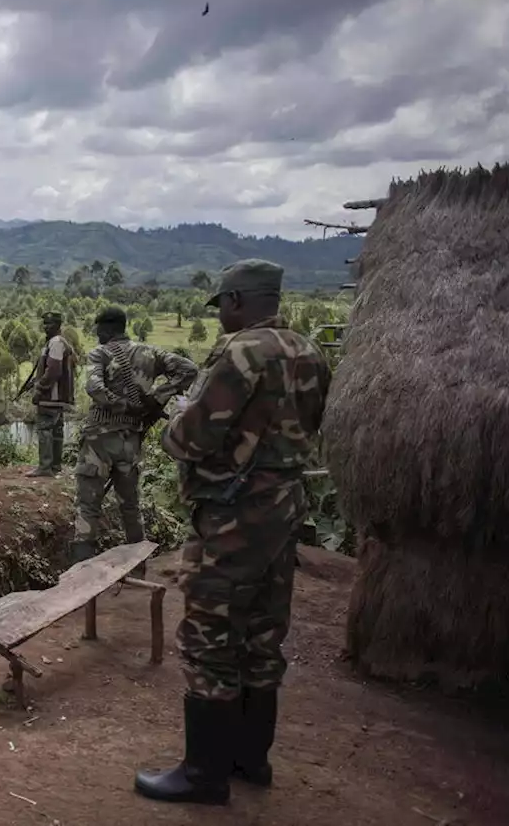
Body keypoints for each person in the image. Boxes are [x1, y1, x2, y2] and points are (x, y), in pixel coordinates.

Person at [134, 259, 331, 805]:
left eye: (221, 303)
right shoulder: (309, 350)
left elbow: (191, 439)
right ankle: (251, 760)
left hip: (233, 515)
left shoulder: (240, 352)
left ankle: (204, 775)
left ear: (238, 301)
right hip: (284, 509)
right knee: (264, 633)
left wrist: (176, 418)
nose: (220, 313)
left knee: (210, 635)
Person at [71, 306, 196, 568]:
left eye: (98, 329)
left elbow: (94, 388)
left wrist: (122, 405)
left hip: (99, 441)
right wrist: (156, 398)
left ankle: (80, 573)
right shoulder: (150, 353)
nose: (97, 334)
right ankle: (138, 567)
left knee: (88, 506)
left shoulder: (100, 353)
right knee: (130, 506)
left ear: (105, 328)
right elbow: (189, 369)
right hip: (131, 441)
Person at [27, 312, 78, 477]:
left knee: (45, 429)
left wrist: (40, 389)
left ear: (58, 325)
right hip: (60, 397)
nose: (46, 327)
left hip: (51, 397)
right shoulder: (61, 342)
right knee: (56, 430)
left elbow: (54, 370)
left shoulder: (55, 343)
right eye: (45, 323)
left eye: (50, 324)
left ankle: (45, 467)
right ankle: (55, 466)